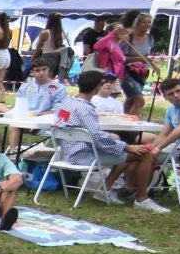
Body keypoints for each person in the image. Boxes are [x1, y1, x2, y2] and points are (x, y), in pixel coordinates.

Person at [51, 69, 160, 212]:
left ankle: (106, 189)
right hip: (84, 156)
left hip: (66, 153)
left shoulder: (66, 104)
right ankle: (142, 199)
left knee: (124, 148)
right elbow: (97, 138)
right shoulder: (85, 109)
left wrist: (118, 143)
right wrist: (126, 147)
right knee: (145, 154)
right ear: (97, 87)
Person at [112, 77, 180, 212]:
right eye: (170, 94)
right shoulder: (171, 110)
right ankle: (128, 189)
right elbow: (164, 133)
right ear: (164, 96)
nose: (176, 95)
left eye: (178, 91)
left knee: (143, 155)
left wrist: (158, 148)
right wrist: (152, 147)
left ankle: (135, 193)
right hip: (177, 146)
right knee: (139, 150)